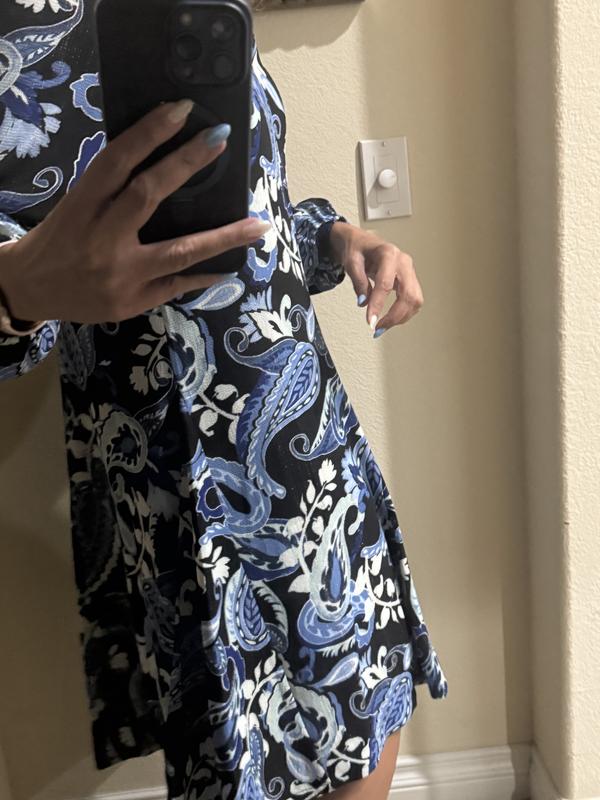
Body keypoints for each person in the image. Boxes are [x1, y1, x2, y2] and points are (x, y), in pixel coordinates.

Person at [0, 1, 448, 798]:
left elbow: (239, 222)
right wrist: (17, 290)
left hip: (304, 440)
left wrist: (339, 237)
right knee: (235, 756)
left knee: (368, 703)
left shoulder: (203, 12)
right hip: (170, 478)